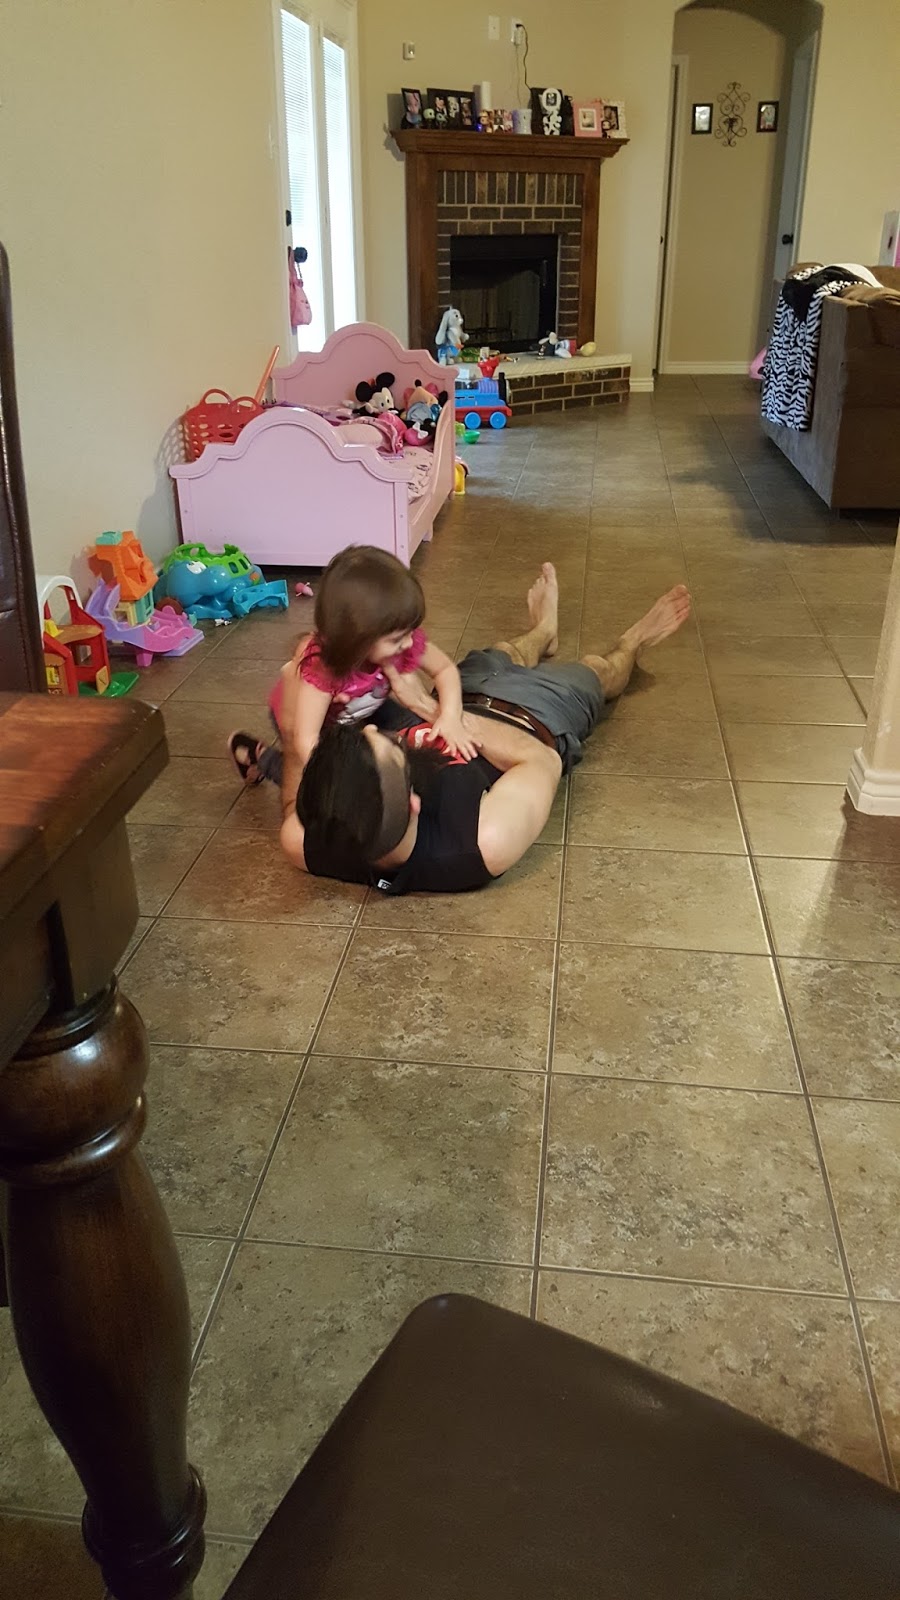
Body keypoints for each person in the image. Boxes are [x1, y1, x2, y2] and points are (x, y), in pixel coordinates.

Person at [231, 565, 692, 895]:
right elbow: (541, 759)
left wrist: (291, 732)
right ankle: (634, 640)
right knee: (597, 671)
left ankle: (542, 632)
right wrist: (427, 708)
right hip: (533, 713)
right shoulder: (481, 843)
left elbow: (296, 796)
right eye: (387, 743)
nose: (377, 728)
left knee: (502, 652)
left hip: (457, 692)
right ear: (414, 799)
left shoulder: (310, 843)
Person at [231, 546, 479, 781]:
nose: (409, 643)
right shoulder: (323, 669)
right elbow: (306, 742)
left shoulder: (400, 638)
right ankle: (258, 756)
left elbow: (445, 670)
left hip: (360, 709)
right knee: (319, 785)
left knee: (413, 733)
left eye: (410, 632)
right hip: (309, 722)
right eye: (397, 639)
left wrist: (450, 717)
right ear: (357, 641)